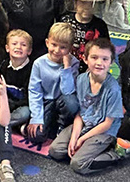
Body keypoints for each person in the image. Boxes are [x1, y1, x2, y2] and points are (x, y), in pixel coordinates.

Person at [49, 39, 124, 174]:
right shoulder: (82, 79)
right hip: (85, 124)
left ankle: (116, 154)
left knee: (79, 164)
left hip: (103, 131)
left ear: (111, 62)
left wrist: (82, 139)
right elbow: (80, 113)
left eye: (105, 59)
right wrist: (74, 137)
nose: (99, 63)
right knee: (55, 151)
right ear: (85, 58)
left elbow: (107, 123)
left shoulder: (113, 89)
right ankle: (87, 148)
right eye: (94, 57)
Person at [23, 22, 79, 144]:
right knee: (36, 136)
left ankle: (62, 124)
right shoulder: (39, 63)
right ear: (47, 42)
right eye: (54, 45)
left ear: (70, 49)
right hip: (45, 102)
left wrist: (67, 68)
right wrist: (36, 117)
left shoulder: (73, 63)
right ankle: (45, 124)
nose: (57, 50)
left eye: (63, 47)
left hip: (62, 101)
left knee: (72, 103)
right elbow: (34, 91)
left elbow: (68, 91)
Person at [61, 0, 109, 73]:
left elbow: (105, 50)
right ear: (75, 2)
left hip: (90, 71)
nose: (87, 7)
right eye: (82, 2)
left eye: (91, 3)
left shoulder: (100, 26)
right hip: (65, 68)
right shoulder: (65, 21)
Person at [0, 29, 33, 128]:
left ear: (29, 51)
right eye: (14, 44)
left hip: (21, 105)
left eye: (23, 45)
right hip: (5, 102)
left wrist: (13, 105)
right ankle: (15, 126)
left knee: (25, 113)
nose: (18, 47)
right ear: (7, 48)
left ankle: (1, 124)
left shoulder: (32, 69)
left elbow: (29, 97)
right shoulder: (4, 65)